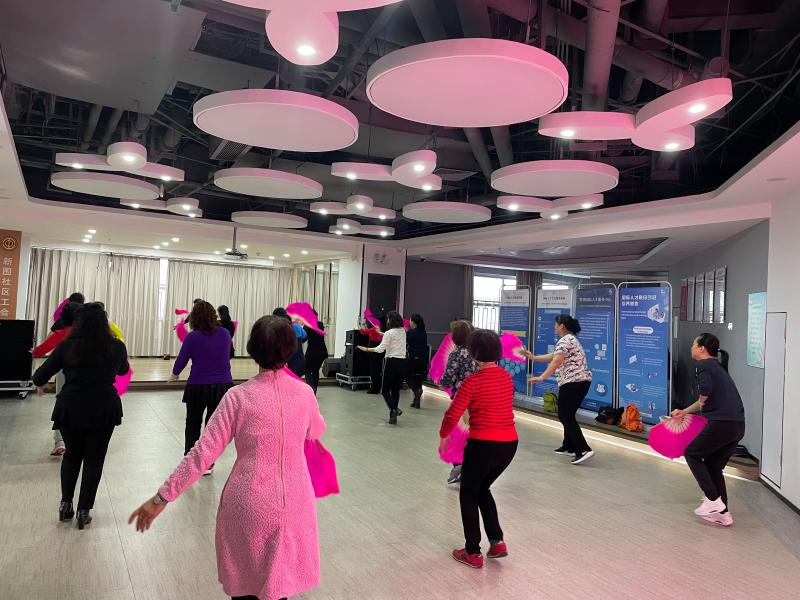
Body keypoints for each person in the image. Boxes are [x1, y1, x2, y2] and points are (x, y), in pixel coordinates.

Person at [129, 315, 327, 600]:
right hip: (296, 503)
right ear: (291, 349)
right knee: (279, 587)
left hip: (249, 504)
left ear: (252, 349)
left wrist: (161, 498)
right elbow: (316, 431)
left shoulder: (238, 397)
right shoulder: (305, 393)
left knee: (245, 586)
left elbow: (202, 454)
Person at [32, 302, 130, 529]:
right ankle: (84, 510)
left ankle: (65, 504)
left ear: (78, 323)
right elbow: (123, 371)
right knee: (94, 459)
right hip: (103, 408)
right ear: (104, 323)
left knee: (72, 456)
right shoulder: (116, 347)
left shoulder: (67, 345)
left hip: (71, 407)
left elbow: (39, 377)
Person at [439, 329, 518, 569]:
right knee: (482, 488)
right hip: (508, 445)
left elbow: (453, 413)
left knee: (468, 494)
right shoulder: (506, 377)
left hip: (483, 445)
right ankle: (497, 542)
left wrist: (444, 436)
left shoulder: (472, 381)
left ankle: (472, 552)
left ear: (474, 353)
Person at [673, 333, 745, 527]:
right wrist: (683, 412)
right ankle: (723, 513)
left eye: (694, 344)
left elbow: (705, 391)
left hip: (722, 423)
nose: (691, 348)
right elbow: (702, 401)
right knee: (713, 466)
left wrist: (703, 400)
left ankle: (713, 500)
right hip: (737, 425)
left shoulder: (703, 365)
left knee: (692, 453)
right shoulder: (717, 367)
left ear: (702, 349)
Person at [170, 301, 233, 474]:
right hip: (222, 386)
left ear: (195, 318)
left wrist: (174, 375)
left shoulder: (193, 337)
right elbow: (228, 354)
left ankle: (190, 460)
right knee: (213, 426)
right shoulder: (225, 333)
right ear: (213, 315)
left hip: (198, 385)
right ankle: (208, 463)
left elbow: (182, 359)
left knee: (193, 423)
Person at [526, 315, 594, 465]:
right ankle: (569, 446)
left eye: (556, 324)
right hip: (580, 382)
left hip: (573, 382)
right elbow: (554, 356)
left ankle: (583, 449)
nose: (555, 327)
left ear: (562, 326)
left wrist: (542, 377)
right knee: (568, 414)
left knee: (565, 415)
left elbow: (556, 361)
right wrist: (534, 358)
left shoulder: (565, 340)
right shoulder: (570, 339)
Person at [33, 301, 82, 456]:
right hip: (84, 376)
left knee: (62, 403)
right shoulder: (88, 335)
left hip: (63, 373)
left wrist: (33, 352)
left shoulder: (60, 334)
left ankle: (60, 441)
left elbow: (42, 350)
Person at [440, 320, 479, 484]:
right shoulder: (478, 352)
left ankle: (461, 467)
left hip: (462, 399)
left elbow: (448, 377)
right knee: (473, 431)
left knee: (455, 434)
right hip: (479, 397)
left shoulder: (456, 354)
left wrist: (442, 383)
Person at [357, 310, 406, 424]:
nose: (387, 321)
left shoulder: (389, 333)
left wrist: (367, 349)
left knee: (385, 390)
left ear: (391, 320)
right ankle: (393, 414)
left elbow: (380, 349)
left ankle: (394, 409)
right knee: (395, 390)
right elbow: (391, 336)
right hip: (402, 363)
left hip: (391, 362)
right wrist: (380, 333)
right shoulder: (402, 331)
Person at [274, 307, 307, 377]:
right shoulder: (296, 326)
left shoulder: (281, 329)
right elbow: (305, 336)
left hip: (289, 361)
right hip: (300, 358)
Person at [405, 313, 429, 409]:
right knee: (418, 377)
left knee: (407, 375)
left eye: (410, 320)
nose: (409, 322)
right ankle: (416, 400)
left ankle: (416, 391)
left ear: (413, 322)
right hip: (423, 358)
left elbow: (407, 341)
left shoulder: (411, 332)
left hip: (413, 357)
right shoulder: (423, 332)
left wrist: (406, 332)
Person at [304, 310, 328, 394]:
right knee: (315, 370)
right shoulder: (320, 324)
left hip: (312, 352)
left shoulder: (307, 325)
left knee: (306, 370)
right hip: (322, 352)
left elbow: (304, 339)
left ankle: (312, 387)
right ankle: (315, 390)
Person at [359, 318, 384, 394]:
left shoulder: (374, 328)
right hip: (379, 352)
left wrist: (359, 325)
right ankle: (378, 387)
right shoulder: (379, 329)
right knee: (378, 370)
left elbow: (363, 332)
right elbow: (369, 333)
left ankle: (374, 389)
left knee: (374, 371)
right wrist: (365, 327)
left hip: (373, 352)